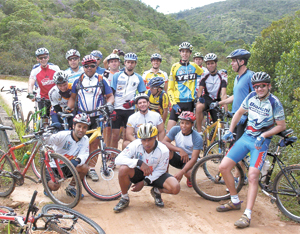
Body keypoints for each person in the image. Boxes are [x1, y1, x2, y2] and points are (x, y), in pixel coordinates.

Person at [217, 72, 286, 228]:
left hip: (260, 142)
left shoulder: (275, 103)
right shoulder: (250, 97)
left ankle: (247, 215)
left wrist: (265, 135)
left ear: (269, 86)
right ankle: (235, 201)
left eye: (263, 86)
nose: (259, 89)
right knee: (223, 167)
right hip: (246, 138)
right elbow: (239, 113)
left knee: (253, 175)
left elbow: (281, 126)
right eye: (256, 86)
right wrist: (231, 130)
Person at [67, 55, 114, 181]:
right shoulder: (78, 80)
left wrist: (109, 106)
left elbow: (110, 96)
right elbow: (72, 97)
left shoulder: (101, 79)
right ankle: (77, 167)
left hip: (97, 116)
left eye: (92, 66)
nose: (89, 68)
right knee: (79, 142)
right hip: (82, 117)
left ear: (96, 66)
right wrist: (68, 109)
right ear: (83, 67)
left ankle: (91, 169)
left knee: (94, 144)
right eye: (86, 66)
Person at [113, 123, 180, 213]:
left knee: (175, 188)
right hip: (139, 173)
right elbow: (118, 159)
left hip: (156, 175)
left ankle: (156, 191)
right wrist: (138, 162)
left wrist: (144, 182)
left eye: (150, 140)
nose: (146, 143)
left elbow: (161, 169)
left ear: (155, 137)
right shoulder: (135, 144)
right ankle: (124, 198)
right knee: (123, 169)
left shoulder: (163, 150)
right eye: (143, 140)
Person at [210, 49, 253, 184]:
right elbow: (236, 97)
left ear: (242, 61)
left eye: (234, 61)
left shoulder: (250, 76)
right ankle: (242, 177)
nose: (232, 64)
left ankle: (238, 178)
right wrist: (220, 103)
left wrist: (248, 115)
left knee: (238, 149)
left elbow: (257, 97)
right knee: (235, 147)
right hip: (236, 118)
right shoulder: (237, 78)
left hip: (245, 119)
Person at [45, 113, 90, 198]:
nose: (81, 130)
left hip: (66, 166)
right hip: (53, 166)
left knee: (84, 168)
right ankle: (47, 186)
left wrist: (77, 160)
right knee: (55, 186)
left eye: (84, 127)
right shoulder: (63, 135)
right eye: (79, 126)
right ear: (73, 126)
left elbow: (84, 154)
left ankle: (70, 188)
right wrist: (49, 132)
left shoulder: (85, 139)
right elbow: (48, 141)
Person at [110, 52, 146, 151]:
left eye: (132, 62)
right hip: (117, 108)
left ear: (135, 64)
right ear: (124, 63)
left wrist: (133, 102)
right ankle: (113, 157)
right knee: (115, 136)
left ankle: (124, 156)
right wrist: (111, 108)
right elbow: (111, 93)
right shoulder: (117, 75)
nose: (130, 64)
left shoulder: (138, 78)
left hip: (130, 110)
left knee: (127, 136)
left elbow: (142, 95)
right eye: (128, 62)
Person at [167, 42, 203, 133]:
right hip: (177, 102)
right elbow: (170, 88)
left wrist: (221, 74)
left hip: (190, 103)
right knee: (169, 131)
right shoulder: (175, 67)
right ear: (180, 53)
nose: (185, 54)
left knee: (187, 132)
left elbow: (205, 74)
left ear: (190, 53)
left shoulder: (194, 66)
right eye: (183, 51)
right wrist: (173, 104)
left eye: (187, 51)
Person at [162, 111, 203, 187]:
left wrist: (181, 172)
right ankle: (165, 177)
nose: (184, 126)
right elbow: (164, 142)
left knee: (189, 173)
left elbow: (194, 158)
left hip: (189, 160)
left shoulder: (197, 137)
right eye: (182, 123)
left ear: (192, 125)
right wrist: (179, 150)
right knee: (166, 151)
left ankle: (190, 178)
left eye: (187, 123)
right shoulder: (175, 129)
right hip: (178, 156)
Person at [195, 53, 228, 133]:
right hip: (206, 99)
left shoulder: (222, 76)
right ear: (206, 65)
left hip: (217, 101)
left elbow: (223, 94)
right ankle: (199, 133)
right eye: (208, 64)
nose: (210, 65)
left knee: (220, 126)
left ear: (216, 64)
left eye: (212, 63)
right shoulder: (204, 75)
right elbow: (200, 91)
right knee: (198, 107)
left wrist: (226, 111)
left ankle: (214, 138)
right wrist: (199, 99)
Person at [28, 47, 60, 117]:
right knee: (44, 119)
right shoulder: (35, 71)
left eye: (45, 57)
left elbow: (61, 82)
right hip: (42, 98)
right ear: (37, 59)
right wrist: (30, 93)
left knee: (57, 118)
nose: (43, 59)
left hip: (55, 97)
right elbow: (31, 84)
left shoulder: (55, 68)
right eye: (40, 58)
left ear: (48, 57)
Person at [102, 53, 121, 147]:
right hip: (107, 104)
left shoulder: (122, 74)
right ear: (108, 64)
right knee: (107, 130)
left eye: (116, 61)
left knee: (117, 132)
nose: (114, 63)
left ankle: (113, 153)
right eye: (112, 62)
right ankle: (106, 152)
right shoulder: (105, 74)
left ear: (119, 63)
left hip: (119, 105)